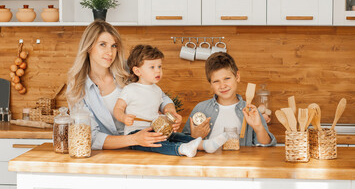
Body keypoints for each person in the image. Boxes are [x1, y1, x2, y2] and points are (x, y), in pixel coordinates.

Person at [66, 20, 179, 150]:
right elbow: (90, 136)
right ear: (89, 47)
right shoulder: (77, 87)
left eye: (114, 46)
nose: (110, 52)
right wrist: (133, 139)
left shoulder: (128, 69)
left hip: (145, 148)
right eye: (103, 44)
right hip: (106, 155)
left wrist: (170, 112)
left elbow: (160, 96)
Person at [113, 45, 229, 157]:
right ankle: (181, 149)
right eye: (152, 67)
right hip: (136, 134)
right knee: (160, 144)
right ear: (137, 71)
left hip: (156, 131)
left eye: (159, 66)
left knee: (177, 136)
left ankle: (204, 145)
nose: (158, 71)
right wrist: (124, 118)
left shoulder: (157, 90)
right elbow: (118, 109)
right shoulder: (130, 89)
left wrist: (170, 118)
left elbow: (161, 111)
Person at [183, 52, 277, 147]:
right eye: (216, 81)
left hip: (241, 162)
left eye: (227, 78)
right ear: (210, 84)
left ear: (237, 77)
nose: (223, 86)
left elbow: (266, 146)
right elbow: (183, 145)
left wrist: (259, 128)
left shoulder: (251, 111)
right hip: (207, 162)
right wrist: (194, 137)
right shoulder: (201, 109)